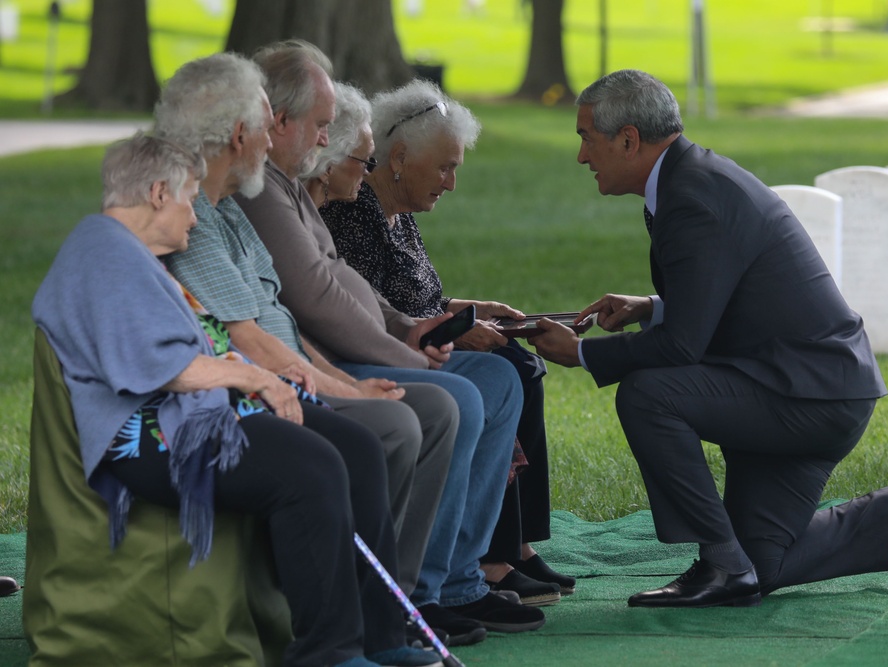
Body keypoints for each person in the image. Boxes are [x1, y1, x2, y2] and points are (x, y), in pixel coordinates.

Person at [529, 69, 888, 607]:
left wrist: (583, 354)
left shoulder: (692, 196)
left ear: (628, 139)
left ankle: (720, 561)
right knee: (763, 564)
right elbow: (735, 293)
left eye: (585, 139)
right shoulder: (692, 179)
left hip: (808, 395)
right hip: (809, 385)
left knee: (647, 393)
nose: (581, 156)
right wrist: (654, 307)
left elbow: (682, 349)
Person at [31, 133, 441, 667]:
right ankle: (328, 653)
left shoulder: (128, 255)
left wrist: (282, 379)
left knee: (355, 448)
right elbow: (160, 365)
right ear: (158, 192)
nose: (195, 217)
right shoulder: (104, 251)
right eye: (188, 198)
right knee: (311, 466)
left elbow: (202, 346)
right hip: (154, 439)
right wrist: (260, 383)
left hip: (192, 418)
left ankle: (379, 635)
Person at [232, 40, 544, 642]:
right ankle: (415, 593)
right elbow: (316, 298)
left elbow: (343, 282)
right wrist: (408, 351)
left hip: (352, 350)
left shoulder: (287, 186)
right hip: (323, 359)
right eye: (324, 128)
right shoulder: (265, 189)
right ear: (279, 121)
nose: (329, 143)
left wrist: (411, 327)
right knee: (459, 396)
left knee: (504, 378)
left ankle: (459, 578)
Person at [155, 52, 459, 600]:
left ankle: (396, 599)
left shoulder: (228, 207)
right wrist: (347, 386)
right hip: (246, 393)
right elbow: (248, 339)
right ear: (237, 132)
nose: (274, 143)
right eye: (267, 127)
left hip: (289, 370)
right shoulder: (196, 214)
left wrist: (352, 380)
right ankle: (363, 607)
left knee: (429, 409)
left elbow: (285, 323)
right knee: (396, 425)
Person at [304, 79, 574, 606]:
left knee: (516, 366)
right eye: (446, 168)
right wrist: (438, 334)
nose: (451, 183)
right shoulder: (350, 211)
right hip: (372, 357)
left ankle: (503, 550)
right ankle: (478, 565)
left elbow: (405, 299)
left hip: (414, 340)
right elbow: (360, 316)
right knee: (505, 373)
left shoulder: (398, 212)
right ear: (398, 158)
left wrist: (466, 311)